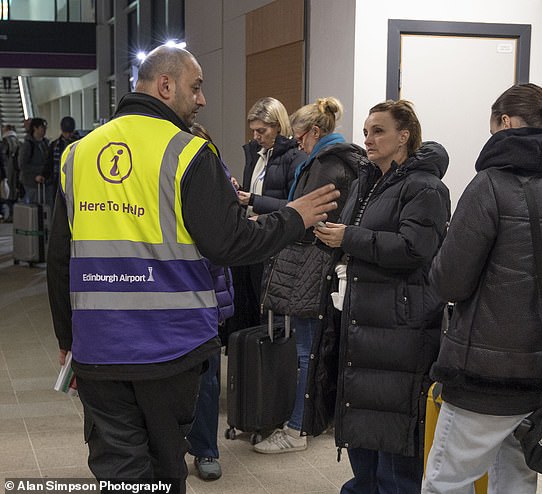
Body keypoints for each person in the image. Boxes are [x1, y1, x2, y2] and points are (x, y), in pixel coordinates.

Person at [46, 44, 339, 493]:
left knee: (117, 470)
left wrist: (68, 341)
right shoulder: (189, 153)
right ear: (166, 85)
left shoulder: (77, 155)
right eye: (196, 87)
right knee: (166, 467)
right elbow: (231, 243)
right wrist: (294, 216)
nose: (201, 99)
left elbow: (58, 260)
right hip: (171, 349)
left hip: (99, 347)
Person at [422, 83, 542, 494]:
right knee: (516, 479)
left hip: (483, 378)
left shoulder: (490, 185)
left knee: (447, 481)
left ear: (505, 123)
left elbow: (449, 281)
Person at [313, 100, 451, 493]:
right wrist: (330, 239)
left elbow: (414, 249)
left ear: (404, 136)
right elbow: (355, 238)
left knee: (394, 435)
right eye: (366, 132)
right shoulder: (367, 182)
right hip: (362, 318)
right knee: (363, 427)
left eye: (379, 131)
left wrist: (348, 238)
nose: (368, 139)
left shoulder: (426, 187)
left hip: (401, 326)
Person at [255, 96, 361, 454]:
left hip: (312, 266)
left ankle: (297, 428)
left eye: (300, 136)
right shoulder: (331, 161)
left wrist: (275, 224)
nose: (296, 143)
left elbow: (307, 217)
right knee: (314, 348)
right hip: (316, 266)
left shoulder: (325, 165)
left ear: (315, 132)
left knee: (307, 351)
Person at [223, 97, 306, 338]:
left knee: (267, 311)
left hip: (275, 244)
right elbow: (257, 190)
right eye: (253, 131)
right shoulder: (257, 155)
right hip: (253, 239)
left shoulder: (295, 158)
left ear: (278, 126)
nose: (257, 136)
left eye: (262, 130)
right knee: (246, 303)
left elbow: (295, 206)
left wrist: (253, 201)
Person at [185, 122, 235, 481]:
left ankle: (205, 449)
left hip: (206, 293)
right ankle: (174, 445)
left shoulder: (219, 176)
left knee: (206, 378)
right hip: (166, 292)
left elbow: (228, 237)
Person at [46, 116, 79, 208]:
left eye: (70, 132)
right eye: (66, 132)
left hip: (73, 177)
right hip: (58, 178)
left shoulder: (56, 144)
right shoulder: (55, 144)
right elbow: (49, 162)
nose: (68, 135)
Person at [18, 117, 49, 205]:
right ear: (35, 128)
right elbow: (22, 165)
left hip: (43, 183)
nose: (45, 130)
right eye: (42, 128)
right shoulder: (28, 145)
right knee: (32, 209)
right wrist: (37, 173)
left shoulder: (45, 144)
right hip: (30, 183)